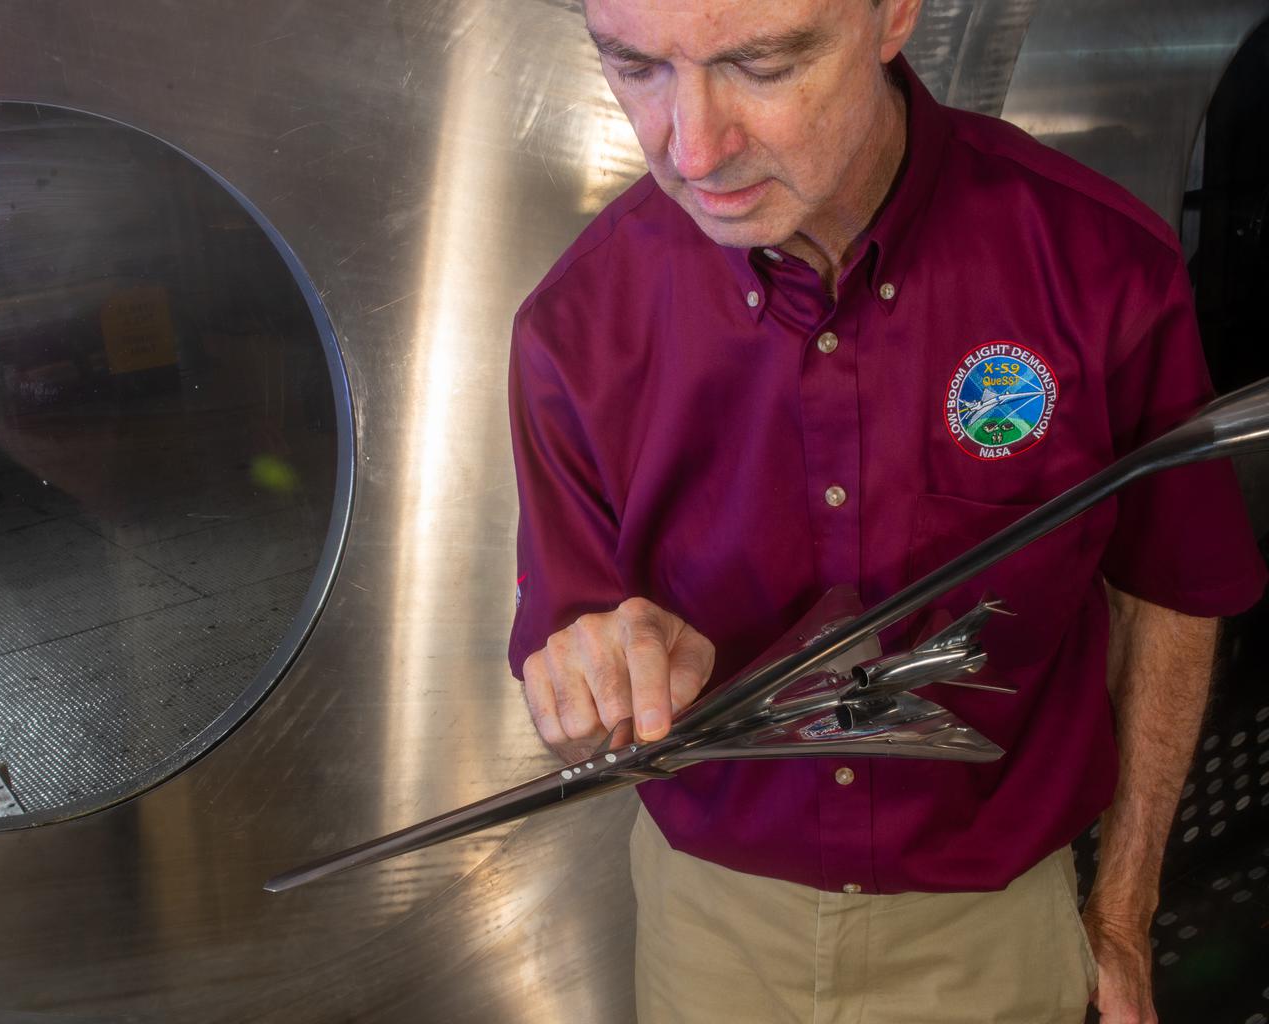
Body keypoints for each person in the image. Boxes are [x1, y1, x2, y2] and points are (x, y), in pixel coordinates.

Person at [506, 0, 1266, 1021]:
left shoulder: (1095, 264)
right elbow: (569, 664)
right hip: (711, 931)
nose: (692, 149)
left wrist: (1124, 909)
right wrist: (586, 687)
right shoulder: (573, 324)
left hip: (992, 929)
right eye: (634, 66)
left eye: (763, 64)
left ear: (892, 13)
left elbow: (1169, 593)